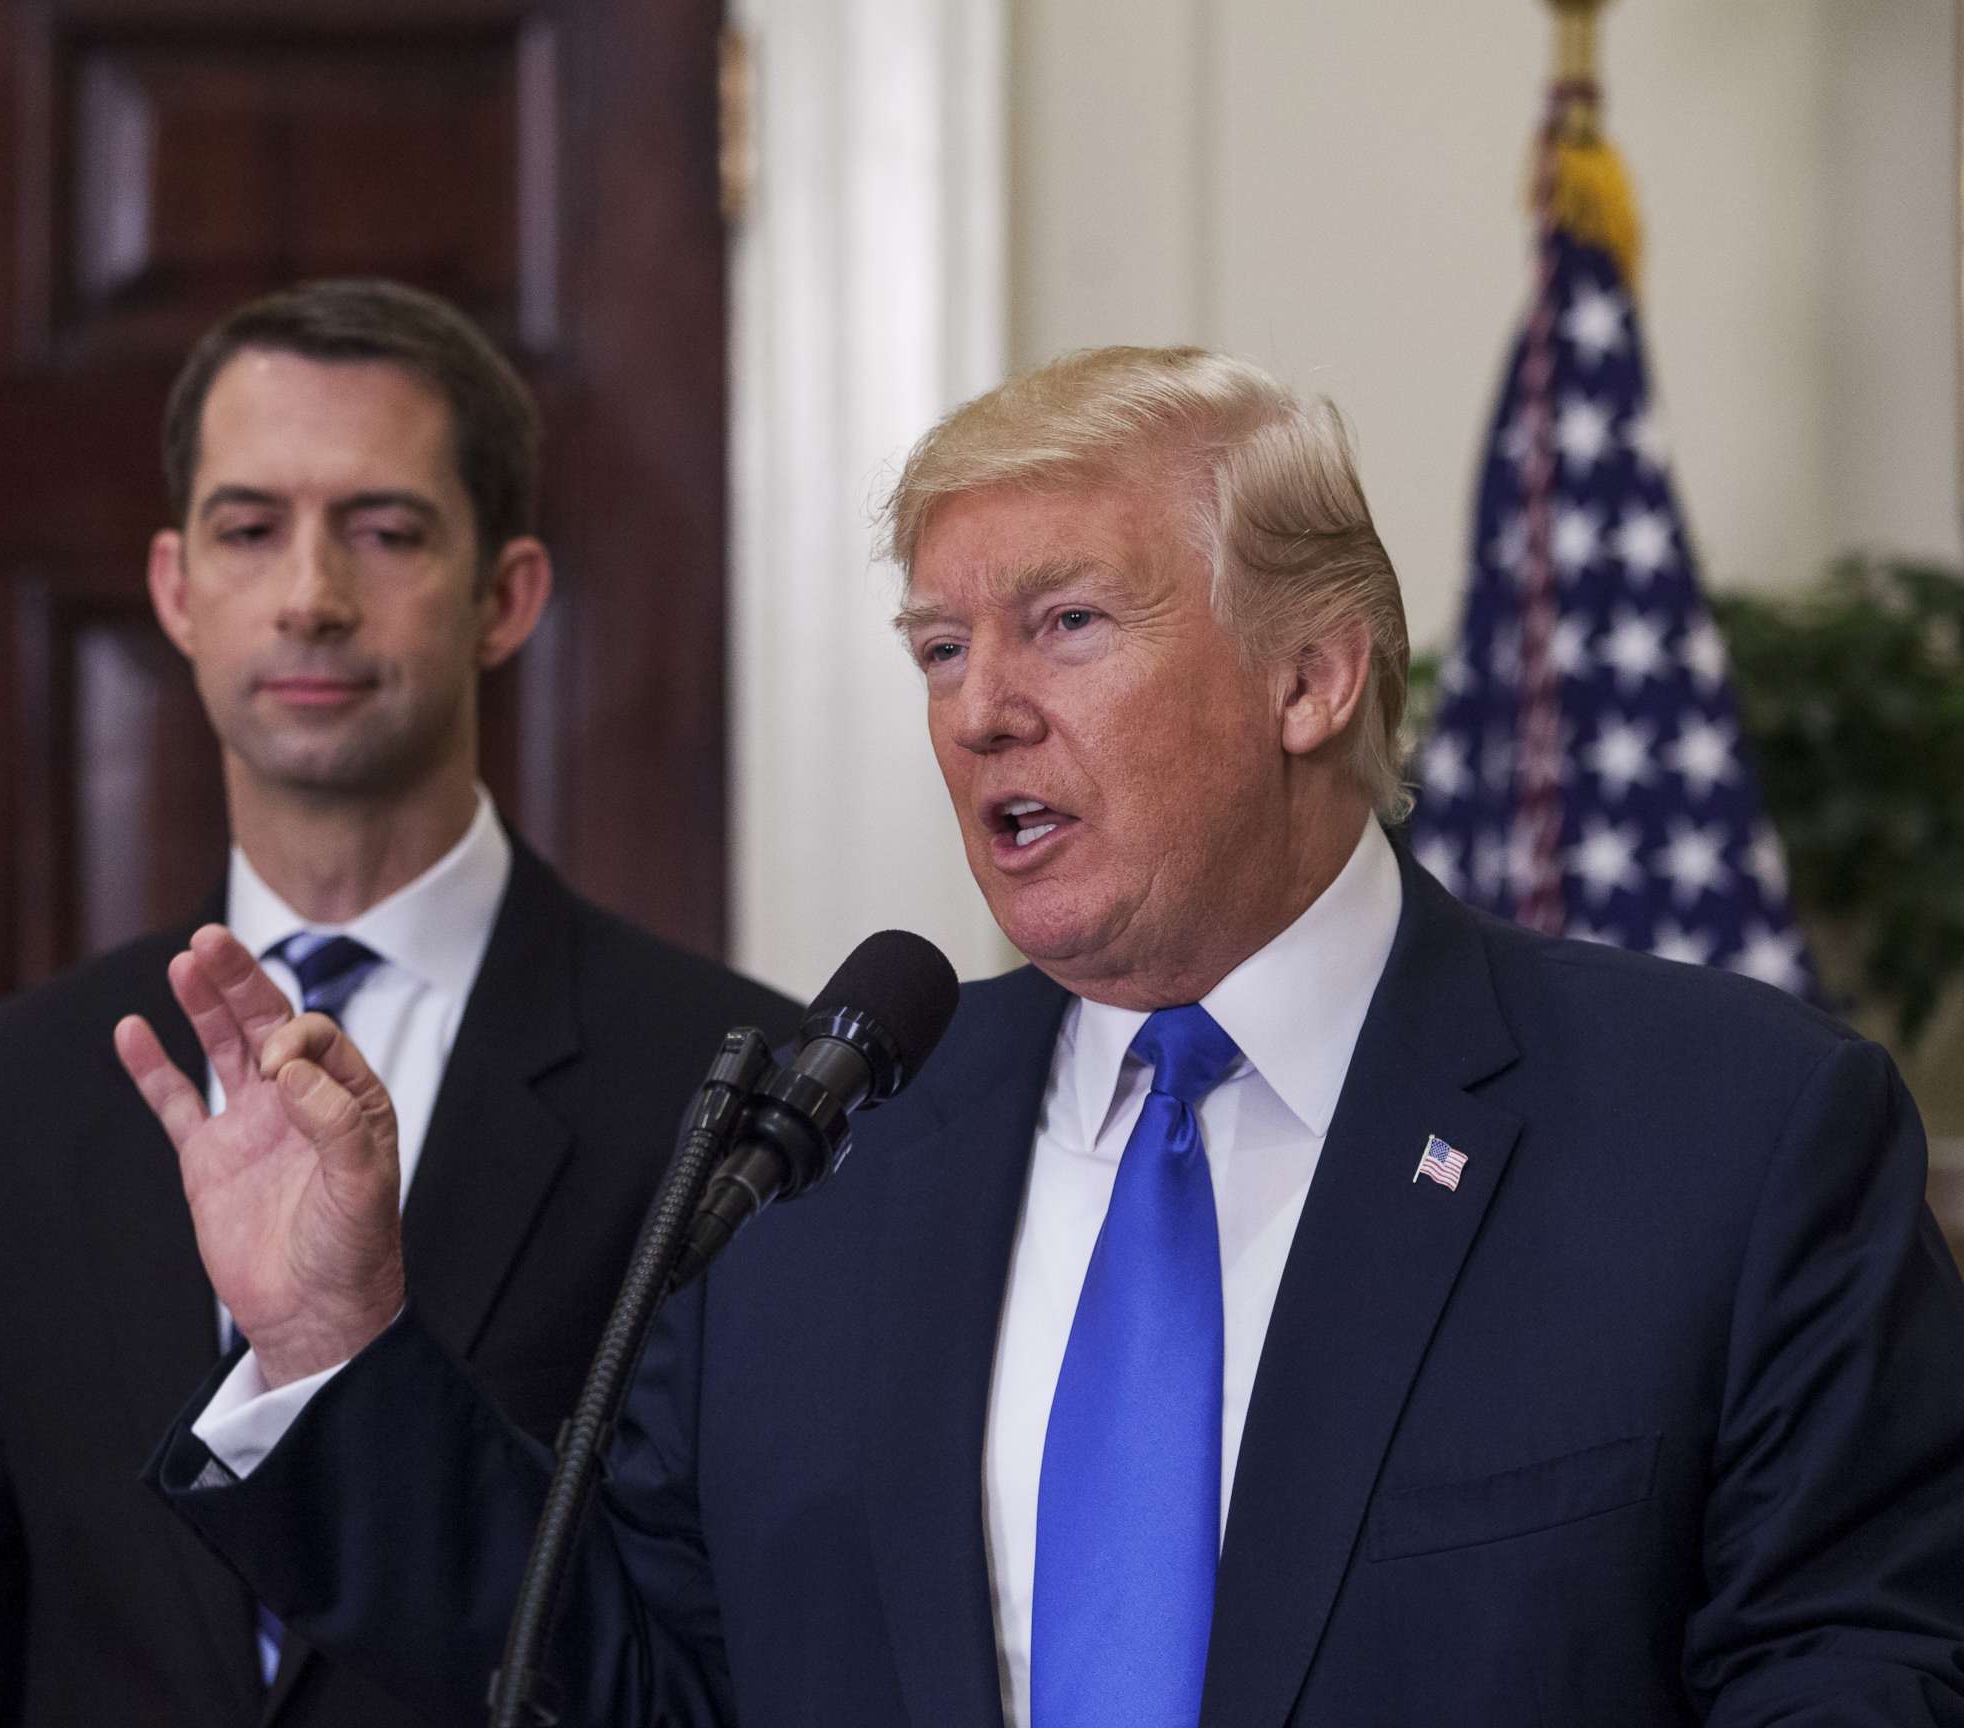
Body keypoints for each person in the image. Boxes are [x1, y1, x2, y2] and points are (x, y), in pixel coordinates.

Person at [125, 345, 1964, 1727]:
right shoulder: (821, 1169)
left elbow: (1859, 1671)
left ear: (1312, 675)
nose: (983, 711)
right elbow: (613, 1686)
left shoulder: (1726, 1139)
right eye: (938, 650)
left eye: (1065, 624)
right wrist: (331, 1339)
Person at [0, 278, 798, 1727]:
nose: (311, 596)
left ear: (507, 596)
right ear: (175, 589)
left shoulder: (728, 1090)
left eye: (386, 530)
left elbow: (725, 1667)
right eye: (249, 527)